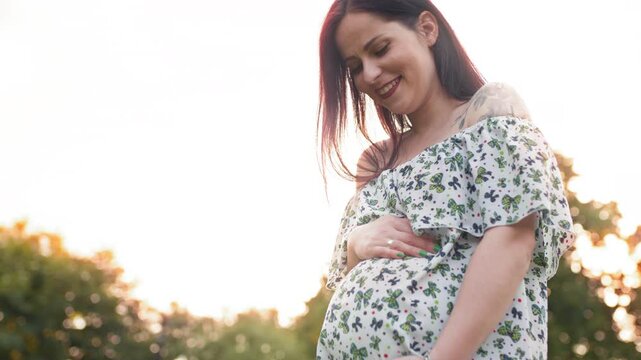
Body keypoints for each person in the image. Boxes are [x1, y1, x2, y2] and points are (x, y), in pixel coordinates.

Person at [315, 1, 577, 359]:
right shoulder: (375, 162)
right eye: (355, 67)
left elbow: (512, 241)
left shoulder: (486, 111)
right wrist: (356, 244)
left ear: (426, 29)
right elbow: (354, 275)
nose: (371, 74)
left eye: (380, 49)